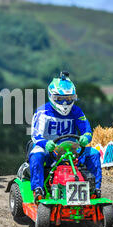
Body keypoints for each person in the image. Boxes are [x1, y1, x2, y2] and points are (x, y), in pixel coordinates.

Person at [29, 71, 102, 202]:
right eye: (60, 99)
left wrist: (86, 137)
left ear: (73, 97)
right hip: (49, 149)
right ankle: (38, 190)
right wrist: (45, 143)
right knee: (36, 155)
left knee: (94, 154)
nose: (64, 103)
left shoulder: (77, 111)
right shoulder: (42, 111)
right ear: (51, 96)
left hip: (71, 150)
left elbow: (87, 130)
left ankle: (95, 190)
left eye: (68, 99)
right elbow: (35, 134)